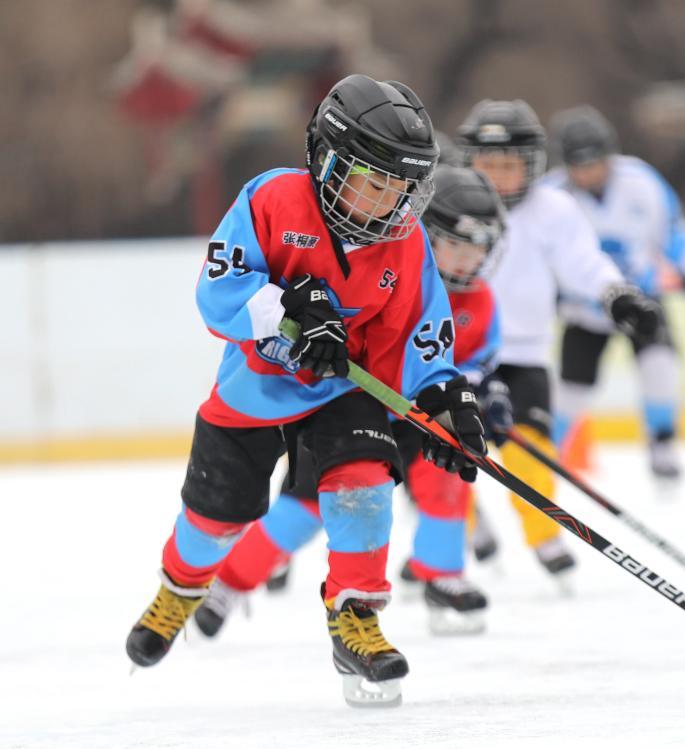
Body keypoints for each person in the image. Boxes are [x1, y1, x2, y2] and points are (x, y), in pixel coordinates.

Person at [125, 75, 488, 708]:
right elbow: (219, 290)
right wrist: (290, 307)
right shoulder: (272, 198)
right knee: (215, 521)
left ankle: (357, 618)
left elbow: (420, 336)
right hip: (256, 390)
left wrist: (442, 402)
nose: (391, 204)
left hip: (341, 392)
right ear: (328, 160)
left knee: (364, 486)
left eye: (402, 188)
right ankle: (180, 588)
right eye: (375, 182)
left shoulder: (405, 244)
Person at [191, 166, 511, 638]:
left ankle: (440, 572)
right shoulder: (390, 263)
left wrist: (480, 395)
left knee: (446, 476)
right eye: (457, 245)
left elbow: (473, 359)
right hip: (353, 412)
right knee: (303, 514)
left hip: (413, 414)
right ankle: (231, 581)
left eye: (478, 248)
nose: (468, 260)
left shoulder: (476, 300)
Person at [455, 99, 661, 580]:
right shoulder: (448, 202)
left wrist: (616, 295)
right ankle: (461, 528)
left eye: (509, 166)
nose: (497, 177)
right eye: (487, 165)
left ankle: (543, 536)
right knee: (448, 454)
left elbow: (583, 261)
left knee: (530, 449)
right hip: (455, 354)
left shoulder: (553, 208)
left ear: (532, 165)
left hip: (523, 353)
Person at [543, 106, 685, 479]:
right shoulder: (552, 195)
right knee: (571, 390)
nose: (588, 172)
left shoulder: (642, 182)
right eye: (579, 165)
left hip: (641, 301)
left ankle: (662, 443)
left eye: (595, 162)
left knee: (661, 367)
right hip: (585, 308)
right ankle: (548, 456)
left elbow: (671, 235)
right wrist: (551, 290)